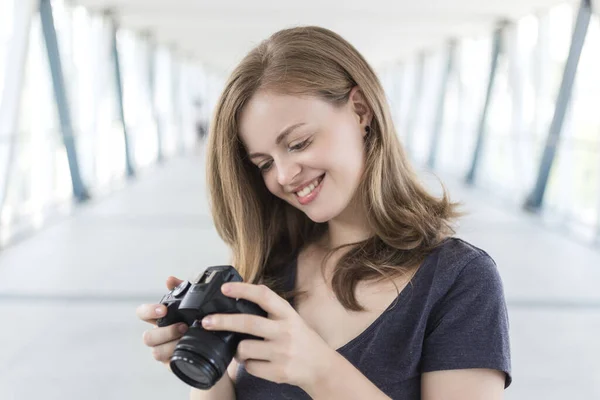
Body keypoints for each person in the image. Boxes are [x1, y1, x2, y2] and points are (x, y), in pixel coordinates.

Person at [136, 26, 511, 400]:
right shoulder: (273, 268)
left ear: (360, 110)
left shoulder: (459, 280)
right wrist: (206, 370)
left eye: (298, 143)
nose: (284, 176)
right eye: (264, 164)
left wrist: (320, 371)